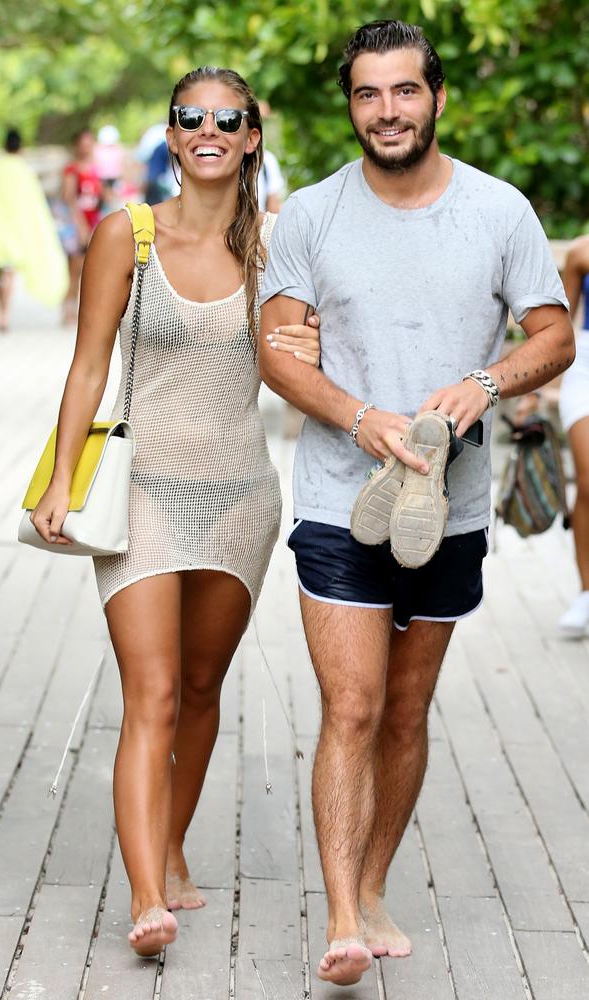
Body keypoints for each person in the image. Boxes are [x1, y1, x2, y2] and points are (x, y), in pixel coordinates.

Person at [259, 19, 574, 987]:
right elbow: (276, 346)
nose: (384, 110)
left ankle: (376, 878)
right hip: (337, 494)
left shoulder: (497, 210)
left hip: (453, 499)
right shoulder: (309, 215)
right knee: (349, 703)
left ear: (436, 98)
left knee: (403, 708)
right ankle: (343, 914)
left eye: (402, 91)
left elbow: (552, 334)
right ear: (350, 104)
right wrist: (356, 417)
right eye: (366, 93)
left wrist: (483, 383)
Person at [28, 67, 321, 959]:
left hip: (242, 498)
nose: (207, 130)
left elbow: (305, 355)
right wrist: (56, 484)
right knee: (149, 692)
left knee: (200, 689)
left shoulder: (277, 245)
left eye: (226, 119)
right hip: (143, 491)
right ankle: (148, 895)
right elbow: (87, 366)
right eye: (189, 117)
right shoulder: (129, 236)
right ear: (171, 134)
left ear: (249, 137)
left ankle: (175, 847)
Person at [0, 127, 67, 330]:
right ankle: (5, 312)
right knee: (9, 270)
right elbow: (34, 203)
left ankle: (2, 311)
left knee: (0, 271)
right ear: (20, 147)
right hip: (15, 227)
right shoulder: (23, 169)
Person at [557, 237, 589, 634]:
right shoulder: (581, 253)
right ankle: (586, 592)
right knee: (587, 481)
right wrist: (532, 394)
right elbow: (558, 333)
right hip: (586, 370)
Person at [61, 129, 104, 324]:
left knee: (91, 271)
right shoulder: (72, 170)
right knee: (75, 269)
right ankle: (68, 309)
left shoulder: (95, 169)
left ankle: (82, 312)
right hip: (77, 225)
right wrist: (80, 226)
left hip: (93, 222)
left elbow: (101, 196)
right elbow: (68, 199)